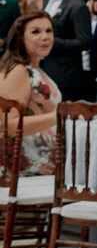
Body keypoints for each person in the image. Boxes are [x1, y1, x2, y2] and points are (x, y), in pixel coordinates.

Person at [0, 12, 60, 175]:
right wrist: (60, 116)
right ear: (20, 38)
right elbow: (10, 126)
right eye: (36, 32)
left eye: (49, 31)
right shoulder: (18, 71)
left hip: (42, 163)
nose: (45, 37)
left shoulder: (34, 68)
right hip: (24, 172)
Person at [39, 0, 92, 101]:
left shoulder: (77, 5)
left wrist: (51, 42)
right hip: (43, 72)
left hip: (64, 77)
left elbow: (84, 41)